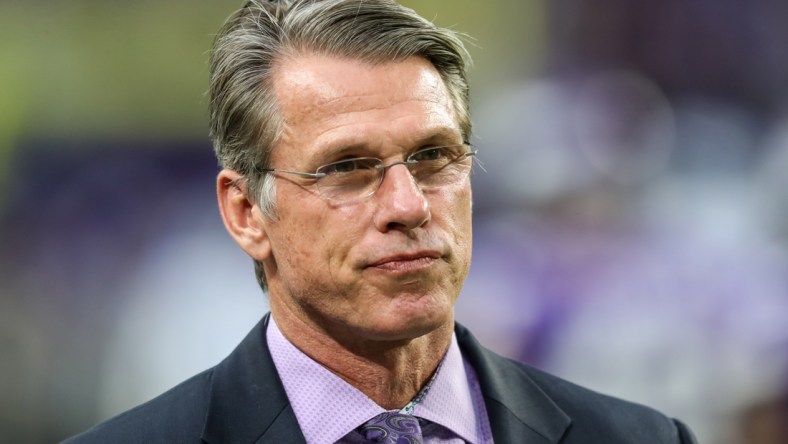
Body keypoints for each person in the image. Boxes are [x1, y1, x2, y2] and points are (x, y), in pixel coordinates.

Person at [63, 0, 697, 442]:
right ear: (247, 213)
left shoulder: (643, 437)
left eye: (433, 157)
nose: (408, 205)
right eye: (346, 168)